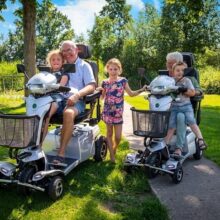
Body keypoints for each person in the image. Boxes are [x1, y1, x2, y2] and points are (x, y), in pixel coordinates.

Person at [53, 40, 96, 164]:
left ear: (77, 50)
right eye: (64, 51)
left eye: (69, 50)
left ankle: (61, 153)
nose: (66, 53)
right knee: (42, 110)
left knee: (68, 113)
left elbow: (92, 86)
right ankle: (36, 148)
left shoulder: (84, 66)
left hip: (77, 100)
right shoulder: (59, 65)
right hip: (59, 99)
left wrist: (77, 95)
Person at [98, 58, 147, 163]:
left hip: (118, 113)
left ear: (119, 70)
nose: (113, 71)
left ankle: (114, 148)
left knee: (118, 136)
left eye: (115, 69)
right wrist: (99, 91)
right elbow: (102, 98)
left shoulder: (123, 81)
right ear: (107, 70)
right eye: (111, 69)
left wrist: (142, 90)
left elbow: (131, 94)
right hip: (107, 112)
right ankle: (111, 155)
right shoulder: (104, 83)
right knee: (109, 133)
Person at [165, 52, 203, 156]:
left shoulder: (190, 79)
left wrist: (187, 91)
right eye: (167, 63)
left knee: (180, 116)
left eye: (170, 63)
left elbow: (199, 91)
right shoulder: (165, 78)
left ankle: (178, 148)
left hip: (183, 108)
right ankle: (163, 144)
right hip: (168, 107)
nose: (168, 66)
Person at [41, 49, 68, 144]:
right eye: (53, 60)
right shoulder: (46, 74)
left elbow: (61, 86)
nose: (55, 61)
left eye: (58, 59)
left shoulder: (64, 74)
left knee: (49, 110)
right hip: (46, 97)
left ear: (62, 62)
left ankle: (46, 123)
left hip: (58, 99)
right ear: (50, 62)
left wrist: (51, 87)